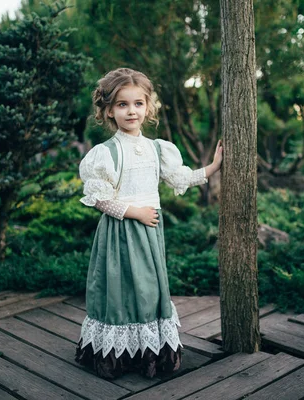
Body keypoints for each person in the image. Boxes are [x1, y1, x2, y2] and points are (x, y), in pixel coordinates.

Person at [75, 67, 223, 379]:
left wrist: (212, 166)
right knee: (120, 287)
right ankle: (114, 354)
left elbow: (179, 177)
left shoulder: (158, 149)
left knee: (149, 288)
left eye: (138, 103)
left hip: (150, 233)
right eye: (122, 104)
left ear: (148, 106)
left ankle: (148, 351)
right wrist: (135, 212)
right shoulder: (105, 153)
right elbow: (99, 199)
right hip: (120, 232)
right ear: (109, 111)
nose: (131, 111)